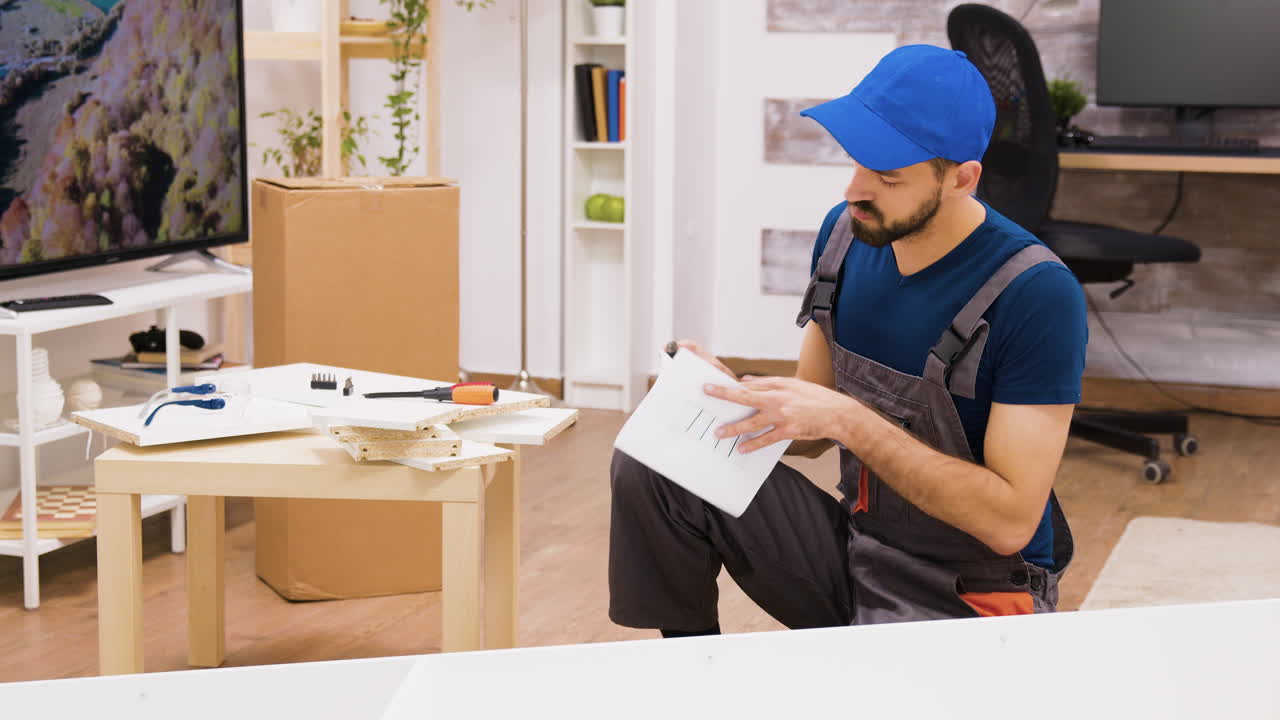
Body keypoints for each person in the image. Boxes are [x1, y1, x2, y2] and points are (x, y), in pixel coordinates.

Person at [608, 44, 1088, 636]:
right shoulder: (846, 237)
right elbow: (808, 428)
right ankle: (691, 671)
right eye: (857, 162)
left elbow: (1012, 522)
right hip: (857, 551)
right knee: (655, 459)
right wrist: (721, 394)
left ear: (962, 179)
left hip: (972, 595)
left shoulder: (1035, 293)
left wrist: (850, 420)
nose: (854, 192)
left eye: (887, 177)